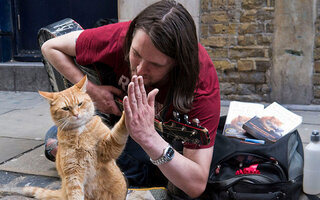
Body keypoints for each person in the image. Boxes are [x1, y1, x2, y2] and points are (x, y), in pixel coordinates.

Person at [41, 0, 220, 199]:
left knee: (176, 178)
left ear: (177, 63)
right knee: (55, 137)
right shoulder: (121, 36)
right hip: (112, 121)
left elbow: (196, 185)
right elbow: (50, 47)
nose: (140, 70)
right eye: (136, 54)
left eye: (155, 64)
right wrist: (92, 91)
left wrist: (148, 137)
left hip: (159, 137)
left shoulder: (201, 84)